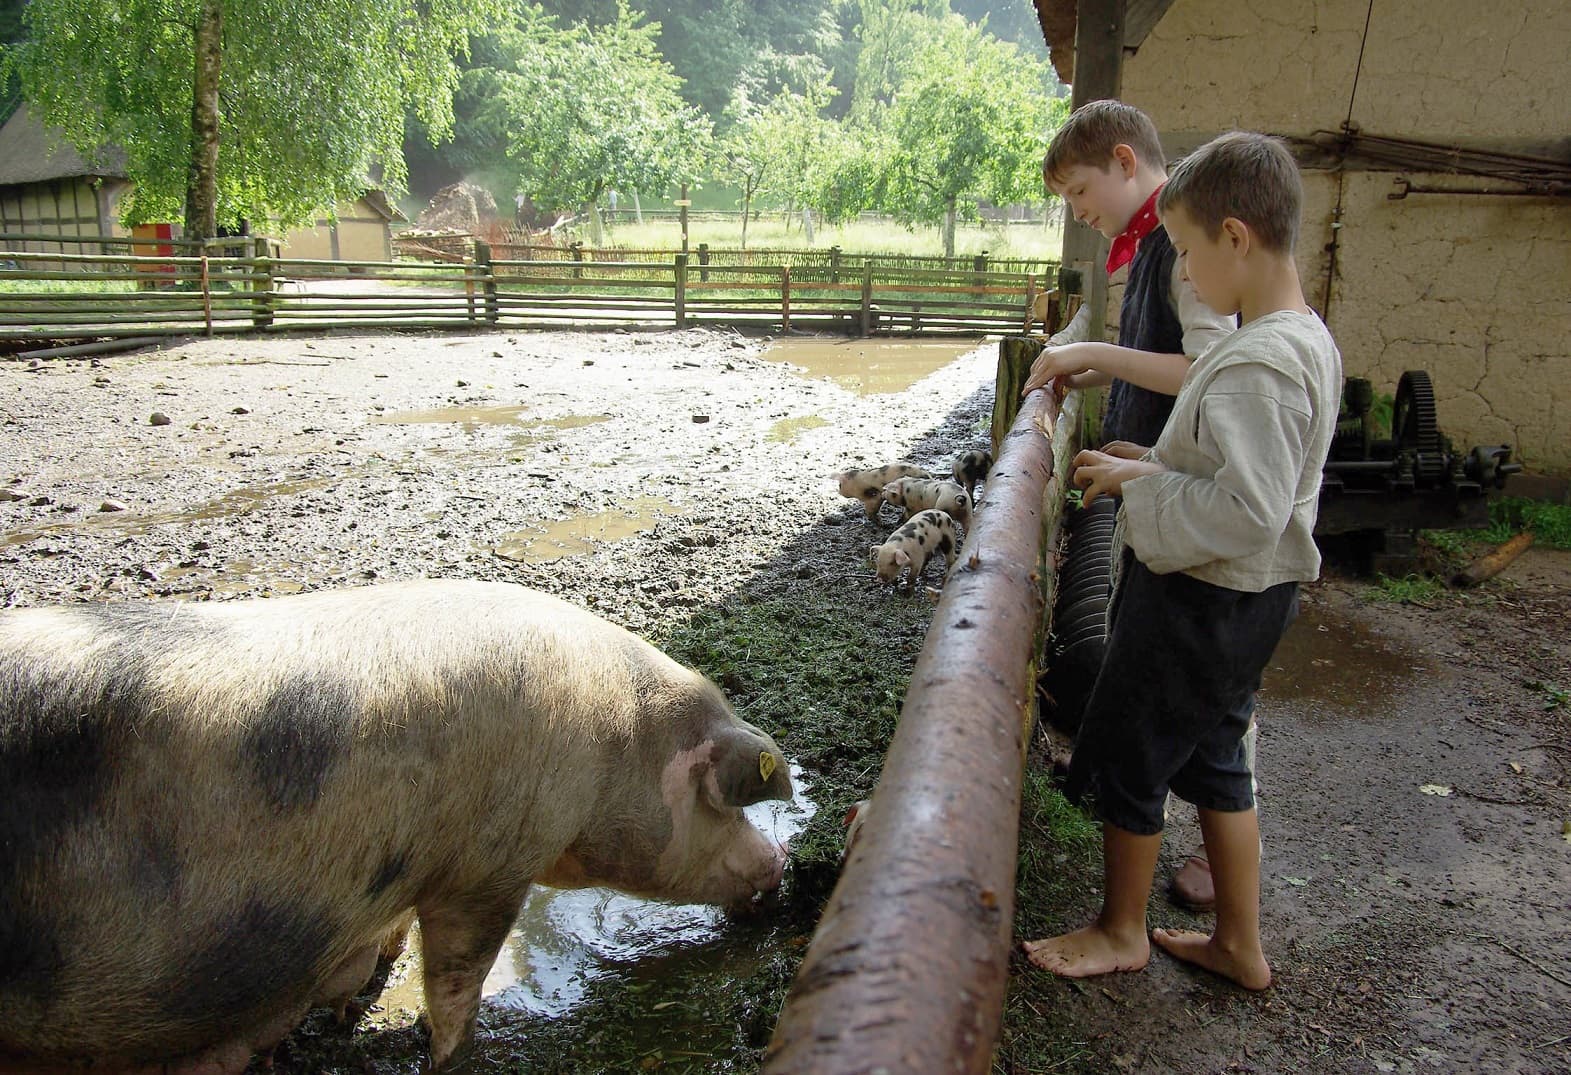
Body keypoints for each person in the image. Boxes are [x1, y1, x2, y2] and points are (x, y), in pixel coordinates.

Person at [1020, 131, 1342, 990]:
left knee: (1134, 751)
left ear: (1235, 237)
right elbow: (1236, 476)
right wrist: (1147, 465)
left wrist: (1138, 494)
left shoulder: (1258, 365)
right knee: (1216, 760)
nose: (1187, 274)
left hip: (1205, 597)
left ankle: (1119, 927)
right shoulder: (1300, 339)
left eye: (1192, 253)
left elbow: (1243, 510)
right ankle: (1239, 943)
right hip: (1251, 598)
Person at [1021, 99, 1239, 911]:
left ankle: (1215, 845)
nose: (1078, 211)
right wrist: (1097, 374)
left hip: (1187, 491)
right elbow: (1162, 357)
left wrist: (1090, 350)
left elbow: (1207, 369)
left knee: (1210, 681)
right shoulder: (1149, 242)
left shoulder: (1183, 249)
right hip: (1154, 475)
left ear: (1122, 160)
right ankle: (1144, 800)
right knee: (1169, 660)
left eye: (1080, 191)